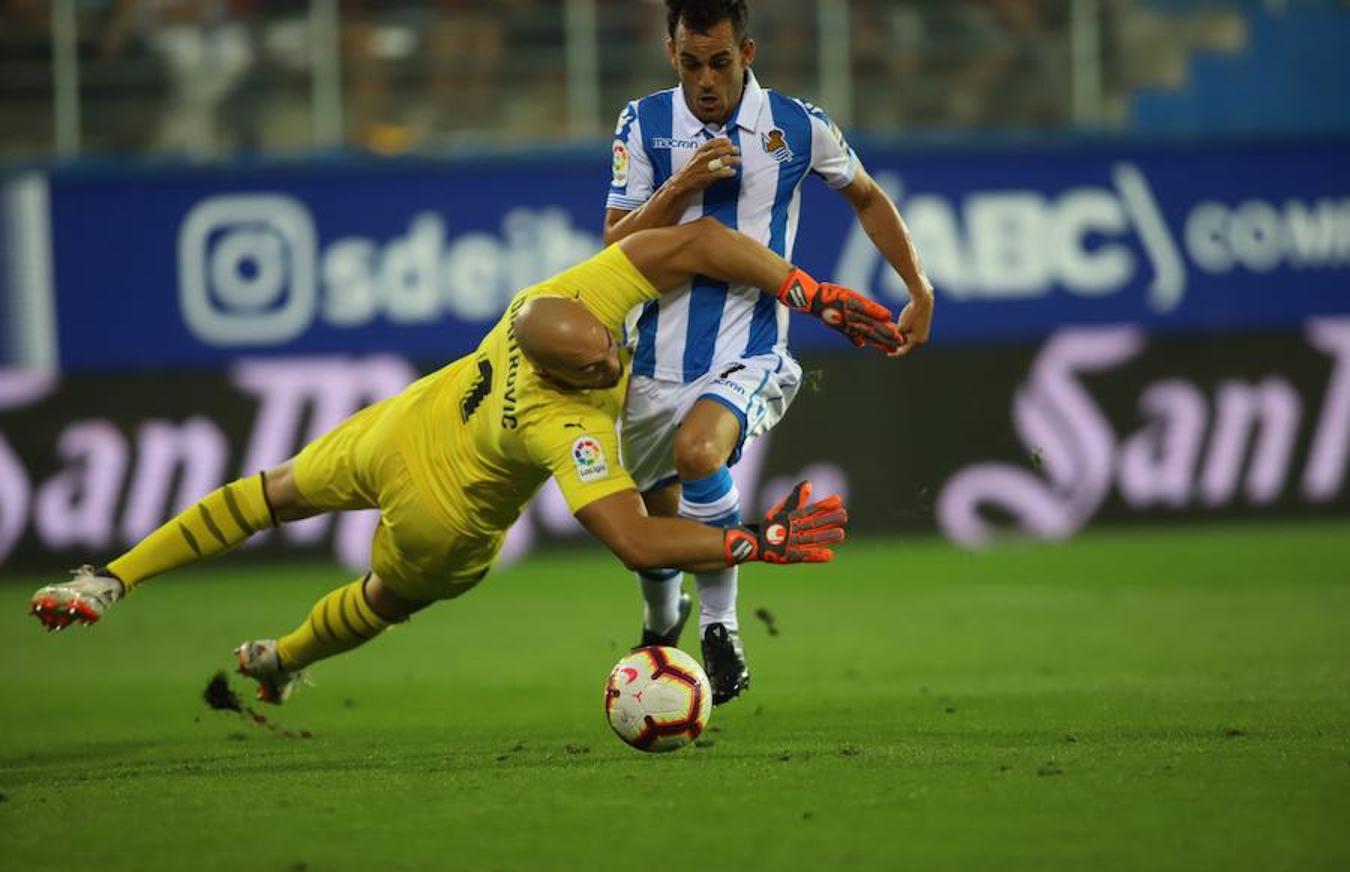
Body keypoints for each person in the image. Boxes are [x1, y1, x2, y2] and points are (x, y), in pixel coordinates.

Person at [29, 216, 900, 705]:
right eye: (593, 367)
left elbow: (696, 242)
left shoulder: (563, 297)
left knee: (276, 491)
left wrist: (808, 291)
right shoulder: (559, 423)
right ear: (560, 377)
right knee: (363, 577)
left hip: (408, 415)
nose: (610, 364)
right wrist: (755, 541)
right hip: (443, 512)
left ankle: (244, 642)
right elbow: (634, 539)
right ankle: (137, 591)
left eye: (606, 350)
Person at [604, 0, 934, 704]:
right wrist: (682, 183)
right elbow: (615, 243)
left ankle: (721, 630)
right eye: (691, 64)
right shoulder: (644, 123)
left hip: (748, 354)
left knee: (700, 454)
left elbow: (868, 198)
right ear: (672, 54)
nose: (705, 81)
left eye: (719, 62)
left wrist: (917, 284)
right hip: (651, 366)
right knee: (659, 537)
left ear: (746, 52)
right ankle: (668, 615)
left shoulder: (797, 125)